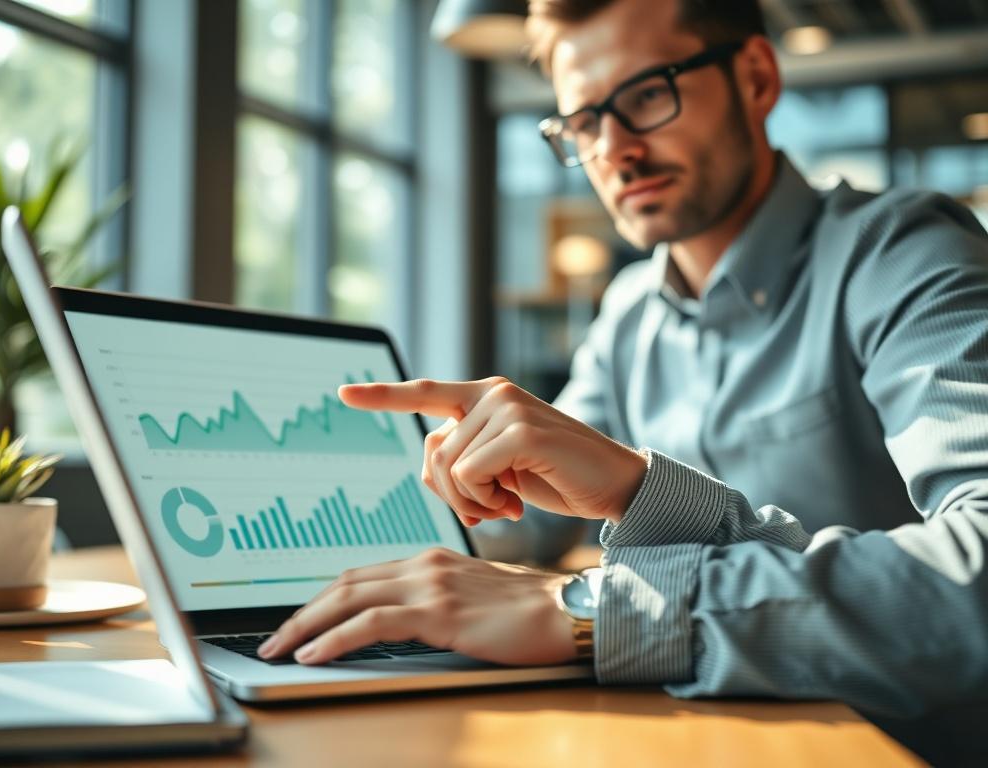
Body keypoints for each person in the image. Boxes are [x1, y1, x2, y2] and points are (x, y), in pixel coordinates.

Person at [259, 0, 988, 740]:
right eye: (582, 122)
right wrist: (437, 493)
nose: (613, 149)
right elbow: (528, 522)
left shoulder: (904, 255)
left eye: (646, 96)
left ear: (757, 77)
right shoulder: (632, 311)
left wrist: (591, 608)